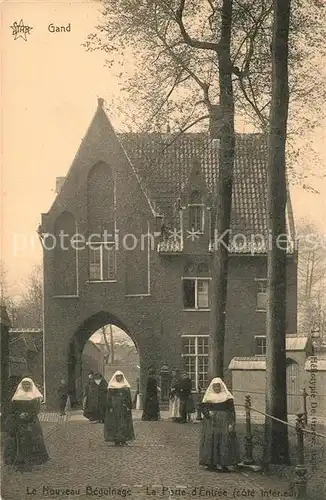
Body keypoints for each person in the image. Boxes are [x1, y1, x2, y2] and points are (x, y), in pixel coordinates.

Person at [3, 377, 49, 470]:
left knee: (32, 439)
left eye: (28, 384)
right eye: (24, 384)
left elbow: (35, 409)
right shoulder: (16, 396)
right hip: (18, 421)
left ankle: (33, 459)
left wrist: (28, 414)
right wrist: (18, 415)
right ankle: (17, 459)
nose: (26, 386)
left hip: (31, 421)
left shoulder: (34, 397)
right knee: (17, 440)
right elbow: (13, 409)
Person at [199, 377, 239, 472]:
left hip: (224, 421)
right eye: (215, 386)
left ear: (221, 386)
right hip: (211, 422)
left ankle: (224, 463)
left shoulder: (227, 397)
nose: (217, 388)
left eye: (218, 386)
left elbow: (231, 411)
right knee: (211, 440)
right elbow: (203, 407)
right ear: (212, 387)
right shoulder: (208, 396)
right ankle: (211, 463)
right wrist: (208, 413)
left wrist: (231, 423)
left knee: (224, 440)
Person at [104, 370, 135, 446]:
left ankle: (123, 439)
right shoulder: (112, 387)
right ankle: (116, 440)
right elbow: (109, 398)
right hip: (114, 408)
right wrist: (109, 407)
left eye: (120, 376)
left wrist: (129, 406)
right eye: (117, 376)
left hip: (123, 408)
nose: (118, 377)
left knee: (124, 424)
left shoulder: (125, 387)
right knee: (115, 423)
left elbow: (128, 398)